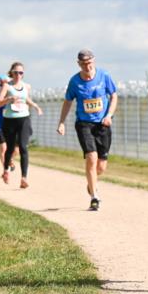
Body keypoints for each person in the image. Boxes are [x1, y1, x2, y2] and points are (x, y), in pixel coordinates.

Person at [57, 49, 118, 211]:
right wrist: (61, 122)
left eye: (89, 63)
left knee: (101, 167)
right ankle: (94, 197)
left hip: (103, 124)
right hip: (84, 124)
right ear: (78, 64)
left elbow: (114, 96)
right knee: (91, 157)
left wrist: (109, 115)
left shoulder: (104, 76)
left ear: (94, 61)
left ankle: (91, 182)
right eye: (83, 64)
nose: (87, 66)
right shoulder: (75, 81)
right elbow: (68, 102)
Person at [0, 62, 42, 188]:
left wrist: (36, 106)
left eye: (21, 73)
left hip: (24, 118)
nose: (18, 75)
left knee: (23, 147)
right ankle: (6, 170)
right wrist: (8, 99)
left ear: (23, 74)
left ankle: (23, 178)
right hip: (10, 120)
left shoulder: (26, 86)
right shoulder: (6, 86)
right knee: (10, 149)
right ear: (11, 73)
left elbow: (26, 98)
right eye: (15, 72)